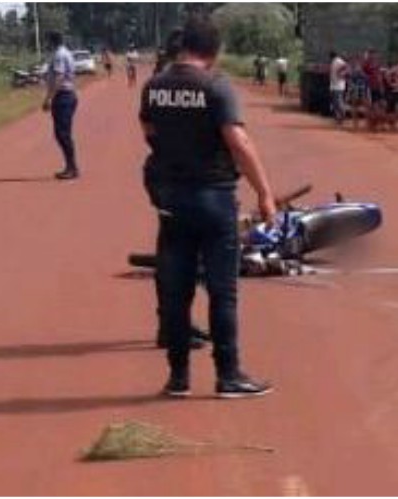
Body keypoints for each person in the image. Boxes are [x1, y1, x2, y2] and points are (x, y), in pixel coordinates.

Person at [139, 17, 276, 398]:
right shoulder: (216, 86)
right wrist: (264, 193)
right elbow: (238, 141)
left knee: (177, 291)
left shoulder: (155, 86)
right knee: (222, 290)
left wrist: (173, 154)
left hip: (172, 201)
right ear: (213, 52)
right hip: (214, 198)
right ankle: (228, 375)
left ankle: (178, 377)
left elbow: (148, 130)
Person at [145, 28, 209, 351]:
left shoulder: (157, 83)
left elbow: (148, 129)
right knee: (182, 254)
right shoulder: (188, 82)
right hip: (184, 177)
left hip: (162, 173)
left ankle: (173, 323)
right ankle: (173, 326)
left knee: (171, 248)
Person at [42, 31, 79, 180]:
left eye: (48, 41)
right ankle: (70, 166)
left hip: (63, 96)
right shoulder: (65, 53)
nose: (47, 44)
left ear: (52, 41)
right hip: (66, 96)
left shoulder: (59, 55)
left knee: (63, 134)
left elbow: (59, 76)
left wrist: (49, 98)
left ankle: (72, 168)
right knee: (62, 134)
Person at [346, 54, 371, 130]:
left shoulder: (363, 70)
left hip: (362, 90)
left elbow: (366, 80)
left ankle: (366, 124)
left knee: (365, 107)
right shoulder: (352, 70)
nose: (358, 62)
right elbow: (349, 80)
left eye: (359, 60)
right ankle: (355, 125)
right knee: (355, 107)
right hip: (355, 90)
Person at [328, 50, 348, 126]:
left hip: (338, 86)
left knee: (338, 102)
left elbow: (345, 66)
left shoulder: (338, 61)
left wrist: (341, 74)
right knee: (335, 103)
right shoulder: (334, 61)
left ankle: (342, 115)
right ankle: (339, 118)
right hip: (334, 85)